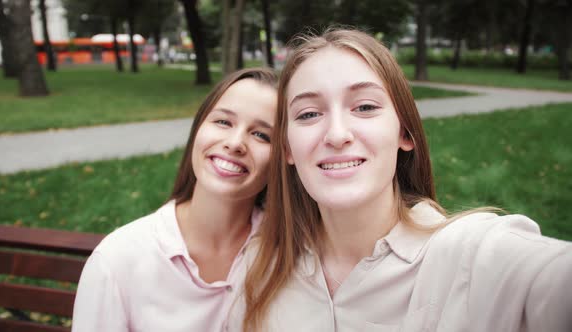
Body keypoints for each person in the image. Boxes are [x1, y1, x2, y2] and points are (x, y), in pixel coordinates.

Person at [228, 29, 572, 331]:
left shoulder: (472, 257)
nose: (336, 134)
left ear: (404, 132)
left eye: (364, 107)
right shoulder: (259, 266)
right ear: (287, 147)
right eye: (309, 114)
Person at [72, 67, 277, 332]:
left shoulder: (291, 255)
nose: (235, 143)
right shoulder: (117, 261)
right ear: (198, 129)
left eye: (261, 135)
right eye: (223, 122)